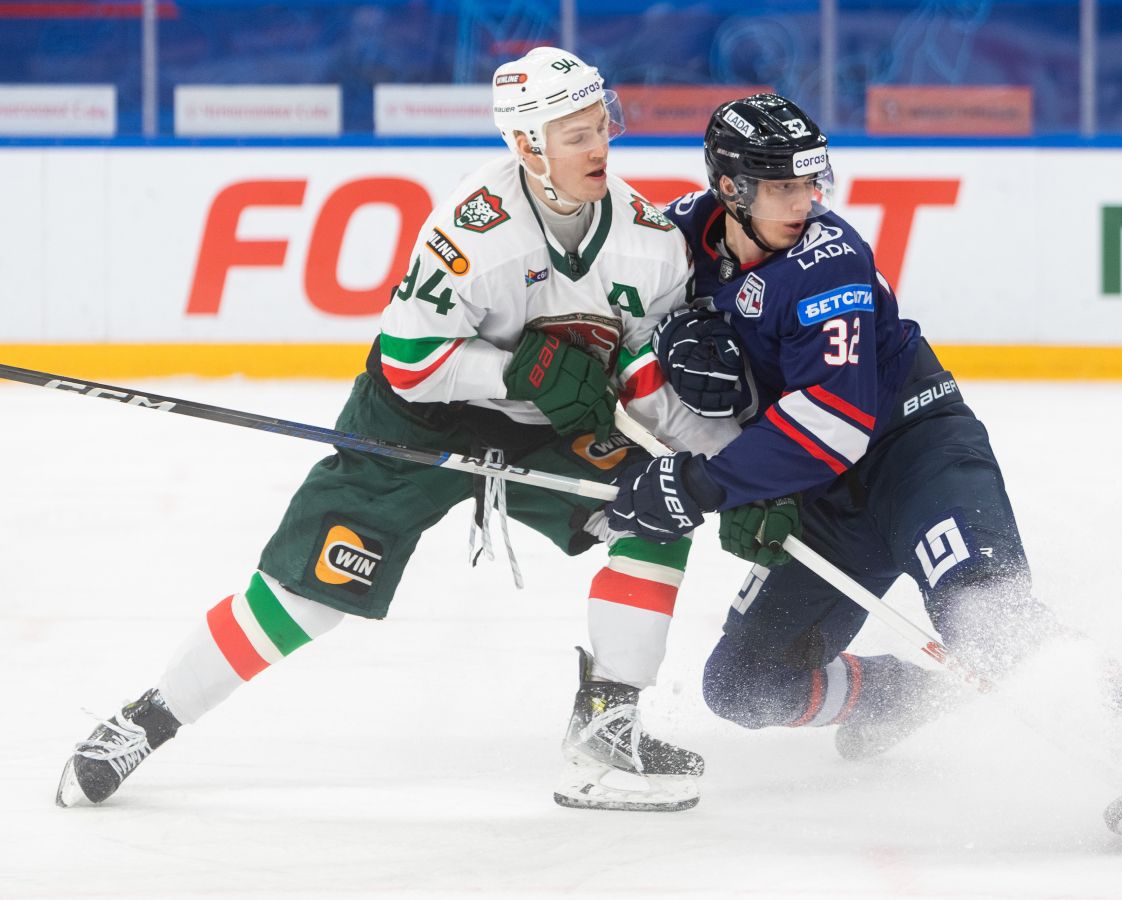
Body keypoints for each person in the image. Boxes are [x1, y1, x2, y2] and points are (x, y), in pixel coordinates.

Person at [55, 47, 737, 814]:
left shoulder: (648, 240)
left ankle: (607, 725)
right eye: (575, 135)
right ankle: (147, 720)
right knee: (308, 596)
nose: (598, 147)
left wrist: (733, 467)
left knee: (657, 506)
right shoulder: (474, 232)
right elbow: (412, 363)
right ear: (526, 144)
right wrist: (516, 372)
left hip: (546, 428)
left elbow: (644, 376)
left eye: (600, 127)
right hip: (417, 421)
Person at [604, 94, 1122, 843]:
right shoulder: (678, 237)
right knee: (744, 686)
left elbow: (833, 422)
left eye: (811, 182)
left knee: (984, 616)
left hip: (917, 458)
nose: (805, 201)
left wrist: (701, 484)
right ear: (730, 188)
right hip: (826, 500)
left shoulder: (829, 259)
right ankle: (900, 699)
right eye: (784, 186)